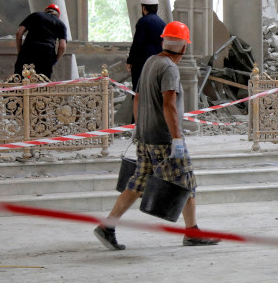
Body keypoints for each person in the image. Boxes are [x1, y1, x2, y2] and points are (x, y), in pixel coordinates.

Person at [94, 20, 220, 250]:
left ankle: (107, 226)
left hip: (145, 136)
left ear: (164, 41)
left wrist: (138, 127)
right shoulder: (169, 68)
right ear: (184, 48)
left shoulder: (151, 61)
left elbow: (138, 97)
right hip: (163, 138)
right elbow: (169, 105)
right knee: (187, 182)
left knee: (138, 183)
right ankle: (192, 232)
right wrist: (177, 139)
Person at [126, 0, 166, 92]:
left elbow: (137, 44)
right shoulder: (162, 23)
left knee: (138, 93)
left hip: (143, 63)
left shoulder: (143, 22)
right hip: (158, 64)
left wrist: (130, 61)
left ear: (144, 8)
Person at [14, 3, 67, 79]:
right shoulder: (61, 24)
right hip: (46, 55)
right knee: (42, 84)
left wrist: (20, 51)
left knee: (20, 80)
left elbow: (18, 33)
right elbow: (62, 46)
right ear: (58, 15)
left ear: (46, 10)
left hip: (28, 51)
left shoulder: (35, 15)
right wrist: (55, 59)